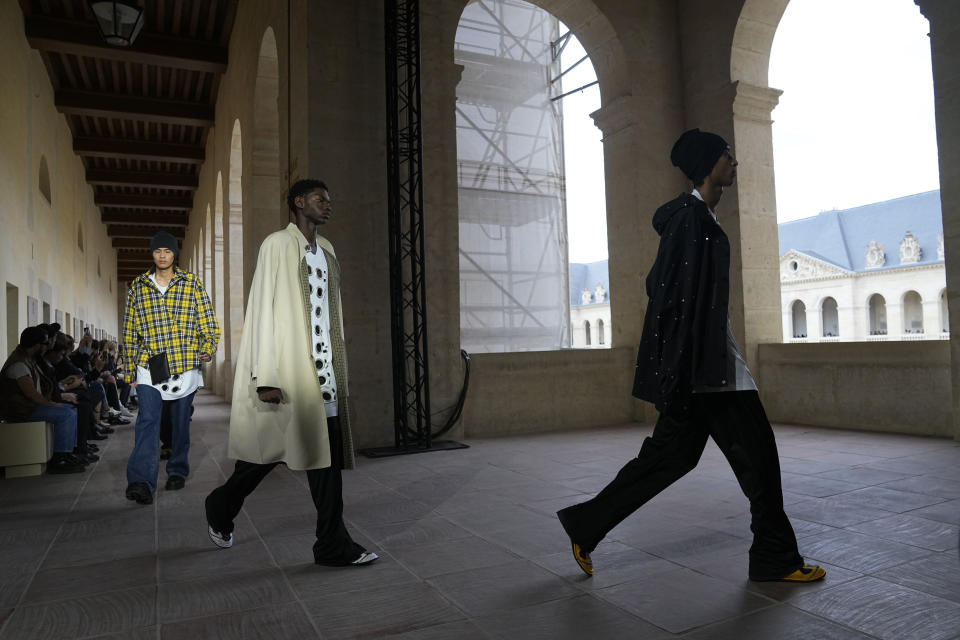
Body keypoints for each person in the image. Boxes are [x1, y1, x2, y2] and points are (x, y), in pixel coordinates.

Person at [556, 129, 825, 584]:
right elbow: (666, 293)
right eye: (727, 155)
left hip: (707, 368)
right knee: (759, 461)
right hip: (709, 373)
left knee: (668, 459)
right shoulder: (691, 220)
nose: (734, 162)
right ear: (708, 164)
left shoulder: (701, 218)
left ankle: (586, 525)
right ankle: (774, 557)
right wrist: (681, 370)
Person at [204, 179, 377, 567]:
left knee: (325, 464)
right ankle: (220, 505)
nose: (328, 206)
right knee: (266, 457)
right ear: (299, 202)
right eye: (320, 199)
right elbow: (261, 308)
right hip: (289, 372)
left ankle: (331, 544)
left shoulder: (328, 250)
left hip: (324, 375)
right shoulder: (276, 245)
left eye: (330, 200)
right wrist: (265, 375)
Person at [121, 231, 220, 504]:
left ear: (174, 253)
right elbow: (129, 331)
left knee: (179, 424)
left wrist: (207, 347)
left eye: (167, 251)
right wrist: (130, 370)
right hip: (149, 364)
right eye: (157, 251)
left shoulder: (191, 283)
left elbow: (208, 321)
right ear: (152, 254)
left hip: (184, 363)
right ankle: (141, 481)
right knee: (147, 422)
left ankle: (177, 469)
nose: (162, 255)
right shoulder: (138, 286)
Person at [0, 326, 85, 473]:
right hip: (21, 411)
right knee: (66, 414)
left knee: (70, 409)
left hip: (28, 407)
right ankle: (59, 459)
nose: (47, 347)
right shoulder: (19, 364)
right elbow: (32, 394)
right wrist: (51, 404)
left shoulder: (27, 359)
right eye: (45, 344)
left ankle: (67, 452)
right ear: (36, 345)